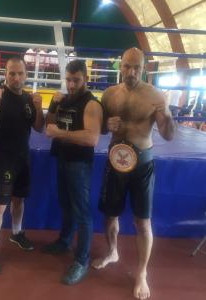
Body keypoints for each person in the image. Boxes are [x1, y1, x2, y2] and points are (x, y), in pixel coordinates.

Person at [92, 48, 175, 300]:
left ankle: (141, 273)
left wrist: (168, 114)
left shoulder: (154, 96)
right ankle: (113, 252)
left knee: (142, 222)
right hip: (115, 161)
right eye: (127, 66)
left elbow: (168, 135)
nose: (131, 72)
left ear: (144, 69)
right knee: (110, 215)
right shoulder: (108, 95)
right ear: (120, 66)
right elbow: (101, 130)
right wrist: (107, 125)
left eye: (136, 68)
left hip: (142, 164)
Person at [0, 55, 44, 275]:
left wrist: (39, 108)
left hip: (22, 157)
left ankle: (17, 233)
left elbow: (38, 127)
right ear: (5, 74)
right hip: (3, 157)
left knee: (19, 200)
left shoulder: (28, 98)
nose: (16, 77)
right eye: (11, 73)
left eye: (20, 73)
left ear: (26, 75)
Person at [43, 59, 103, 285]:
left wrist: (60, 133)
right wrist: (52, 105)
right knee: (66, 205)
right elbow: (48, 127)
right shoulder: (65, 99)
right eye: (68, 80)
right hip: (62, 159)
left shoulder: (91, 104)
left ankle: (81, 260)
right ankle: (64, 241)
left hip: (79, 164)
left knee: (81, 212)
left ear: (85, 79)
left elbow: (92, 138)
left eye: (76, 80)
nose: (71, 85)